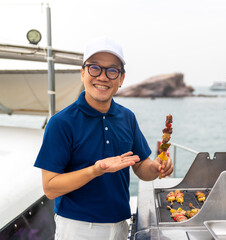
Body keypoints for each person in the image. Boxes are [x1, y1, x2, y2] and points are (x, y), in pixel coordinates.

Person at [34, 36, 173, 240]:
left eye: (112, 70)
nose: (103, 77)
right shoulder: (61, 122)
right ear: (83, 73)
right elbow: (50, 188)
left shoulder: (127, 117)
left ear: (121, 79)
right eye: (94, 68)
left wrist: (156, 168)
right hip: (78, 229)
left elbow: (142, 167)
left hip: (119, 226)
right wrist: (95, 170)